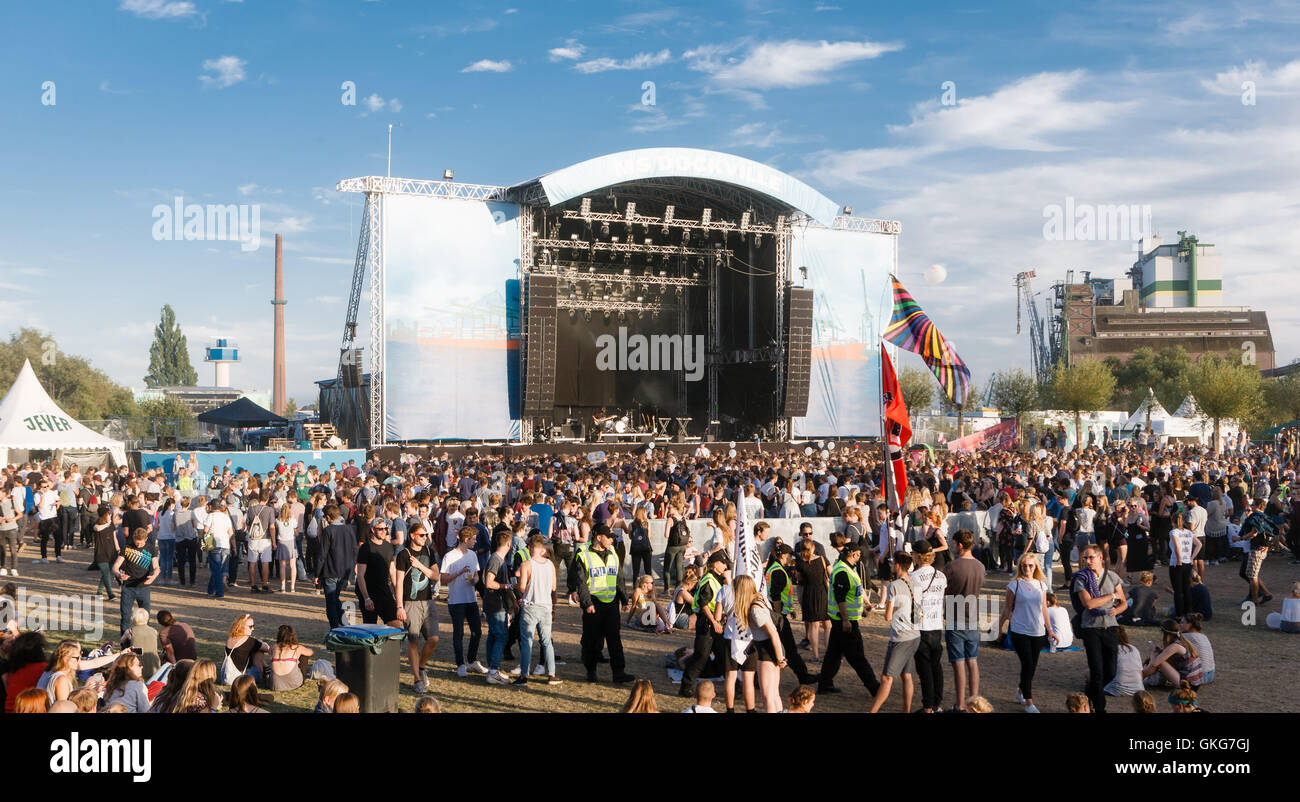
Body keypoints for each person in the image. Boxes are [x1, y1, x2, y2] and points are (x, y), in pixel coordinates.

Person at [818, 543, 881, 698]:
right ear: (853, 554)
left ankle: (824, 684)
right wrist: (846, 620)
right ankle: (874, 688)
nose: (860, 557)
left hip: (843, 620)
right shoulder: (843, 571)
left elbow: (851, 596)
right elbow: (841, 599)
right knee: (857, 657)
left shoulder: (845, 568)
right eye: (859, 554)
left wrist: (861, 610)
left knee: (833, 654)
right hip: (845, 622)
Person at [575, 524, 634, 684]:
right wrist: (587, 603)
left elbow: (619, 577)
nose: (611, 540)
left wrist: (624, 599)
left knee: (615, 640)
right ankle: (591, 671)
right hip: (593, 603)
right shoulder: (584, 555)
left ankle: (619, 673)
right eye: (608, 537)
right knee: (592, 640)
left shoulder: (613, 553)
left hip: (611, 603)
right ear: (598, 537)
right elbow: (581, 583)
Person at [1073, 544, 1128, 713]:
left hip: (1110, 627)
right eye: (1085, 558)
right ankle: (1100, 708)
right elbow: (1089, 604)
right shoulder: (1081, 578)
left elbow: (1124, 603)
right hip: (1091, 628)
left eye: (1091, 558)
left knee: (1111, 671)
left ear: (1100, 558)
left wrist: (1117, 609)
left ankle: (1089, 695)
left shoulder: (1112, 577)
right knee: (1096, 669)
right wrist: (1111, 596)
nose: (1087, 561)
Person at [999, 552, 1055, 713]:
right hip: (1019, 630)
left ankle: (1021, 690)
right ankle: (1029, 703)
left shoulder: (1041, 585)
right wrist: (1001, 627)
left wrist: (1050, 630)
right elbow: (1007, 609)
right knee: (1027, 664)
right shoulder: (1014, 585)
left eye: (1030, 565)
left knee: (1032, 666)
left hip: (1037, 630)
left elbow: (1044, 608)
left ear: (1035, 566)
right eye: (1024, 565)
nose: (1027, 568)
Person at [726, 574, 787, 713]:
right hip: (769, 649)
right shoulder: (759, 600)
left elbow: (773, 633)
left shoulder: (755, 611)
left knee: (767, 696)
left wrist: (780, 658)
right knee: (773, 693)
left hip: (768, 652)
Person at [395, 523, 441, 693]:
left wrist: (420, 566)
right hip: (410, 603)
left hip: (428, 602)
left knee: (433, 639)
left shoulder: (429, 552)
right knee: (413, 641)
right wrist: (399, 606)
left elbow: (436, 576)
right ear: (413, 535)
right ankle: (417, 679)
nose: (425, 537)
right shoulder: (403, 555)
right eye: (422, 535)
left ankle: (421, 668)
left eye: (426, 535)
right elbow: (399, 583)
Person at [943, 529, 985, 712]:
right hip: (973, 616)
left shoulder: (952, 566)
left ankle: (960, 703)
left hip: (955, 615)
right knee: (972, 661)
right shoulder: (980, 566)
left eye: (954, 543)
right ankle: (974, 702)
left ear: (960, 544)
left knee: (958, 662)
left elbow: (944, 589)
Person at [764, 543, 818, 686]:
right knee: (790, 649)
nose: (790, 558)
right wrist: (778, 615)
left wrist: (790, 609)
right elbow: (776, 596)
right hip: (777, 616)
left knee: (771, 648)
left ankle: (759, 678)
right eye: (789, 555)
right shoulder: (779, 571)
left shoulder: (773, 569)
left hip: (775, 614)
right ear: (783, 555)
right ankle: (803, 676)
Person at [678, 552, 730, 697]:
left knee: (723, 657)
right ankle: (686, 687)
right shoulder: (709, 580)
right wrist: (714, 621)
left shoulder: (718, 579)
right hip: (707, 624)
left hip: (716, 624)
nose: (725, 565)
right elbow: (703, 604)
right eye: (723, 563)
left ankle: (735, 686)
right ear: (715, 564)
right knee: (700, 657)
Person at [517, 534, 561, 686]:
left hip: (530, 606)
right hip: (546, 606)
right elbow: (554, 587)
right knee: (546, 641)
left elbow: (522, 587)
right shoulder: (550, 565)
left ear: (531, 548)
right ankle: (552, 674)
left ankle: (524, 675)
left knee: (527, 642)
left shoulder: (526, 564)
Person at [442, 527, 486, 677]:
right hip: (456, 601)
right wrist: (458, 573)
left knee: (477, 631)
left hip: (471, 599)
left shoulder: (473, 555)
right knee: (458, 633)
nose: (475, 541)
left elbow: (476, 575)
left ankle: (472, 660)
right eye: (474, 539)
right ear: (466, 540)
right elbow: (443, 579)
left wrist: (475, 580)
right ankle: (460, 664)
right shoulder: (449, 556)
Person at [482, 529, 516, 686]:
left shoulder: (497, 558)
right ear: (508, 544)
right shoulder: (496, 560)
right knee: (501, 635)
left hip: (493, 603)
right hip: (495, 604)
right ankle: (493, 671)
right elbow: (489, 582)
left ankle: (492, 668)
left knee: (494, 635)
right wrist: (506, 585)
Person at [316, 505, 357, 630]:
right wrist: (355, 565)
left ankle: (335, 628)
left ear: (328, 517)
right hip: (345, 570)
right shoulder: (349, 529)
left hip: (331, 570)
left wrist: (317, 574)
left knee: (331, 602)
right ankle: (345, 623)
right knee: (335, 598)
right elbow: (355, 549)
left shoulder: (328, 530)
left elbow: (322, 554)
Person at [112, 527, 159, 637]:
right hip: (128, 588)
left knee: (145, 617)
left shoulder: (151, 549)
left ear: (146, 539)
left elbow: (156, 567)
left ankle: (144, 640)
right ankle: (125, 643)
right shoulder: (127, 548)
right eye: (136, 543)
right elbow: (115, 567)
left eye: (140, 543)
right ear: (133, 538)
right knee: (126, 616)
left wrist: (153, 576)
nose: (138, 545)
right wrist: (119, 575)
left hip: (144, 587)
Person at [355, 517, 400, 626]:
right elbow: (360, 575)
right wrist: (366, 598)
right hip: (369, 593)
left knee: (394, 624)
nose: (384, 531)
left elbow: (392, 571)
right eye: (380, 529)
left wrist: (397, 593)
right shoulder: (365, 548)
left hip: (385, 591)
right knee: (371, 627)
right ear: (373, 530)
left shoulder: (389, 546)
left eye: (386, 529)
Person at [795, 539, 830, 662]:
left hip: (809, 594)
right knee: (827, 625)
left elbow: (799, 579)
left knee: (814, 626)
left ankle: (815, 656)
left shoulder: (800, 564)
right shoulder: (822, 559)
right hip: (823, 593)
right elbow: (830, 574)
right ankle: (829, 654)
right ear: (813, 547)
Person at [1141, 619, 1202, 688]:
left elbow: (1155, 663)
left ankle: (1140, 678)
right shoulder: (1181, 641)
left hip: (1188, 684)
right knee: (1160, 658)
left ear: (1164, 633)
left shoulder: (1175, 646)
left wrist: (1152, 651)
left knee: (1159, 662)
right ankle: (1141, 677)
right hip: (1195, 682)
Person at [1237, 498, 1276, 606]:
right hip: (1261, 548)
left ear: (1257, 505)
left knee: (1252, 576)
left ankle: (1255, 599)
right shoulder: (1265, 517)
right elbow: (1271, 532)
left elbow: (1254, 533)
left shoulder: (1256, 517)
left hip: (1257, 548)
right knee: (1252, 574)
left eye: (1253, 504)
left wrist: (1240, 538)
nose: (1251, 506)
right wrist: (1268, 545)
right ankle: (1265, 594)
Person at [1168, 512, 1201, 617]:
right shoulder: (1188, 532)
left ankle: (1179, 614)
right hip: (1187, 562)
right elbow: (1199, 544)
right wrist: (1192, 558)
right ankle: (1188, 611)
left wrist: (1178, 560)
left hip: (1177, 563)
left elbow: (1177, 546)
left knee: (1177, 590)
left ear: (1173, 521)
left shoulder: (1174, 532)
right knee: (1186, 588)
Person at [221, 614, 268, 685]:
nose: (253, 629)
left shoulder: (230, 638)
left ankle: (266, 668)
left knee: (256, 647)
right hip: (239, 678)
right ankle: (263, 673)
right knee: (259, 650)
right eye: (250, 626)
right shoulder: (249, 641)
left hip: (227, 677)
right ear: (242, 627)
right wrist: (261, 642)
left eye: (253, 626)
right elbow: (267, 648)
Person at [244, 491, 276, 594]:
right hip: (265, 538)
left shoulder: (251, 509)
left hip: (253, 538)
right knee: (265, 563)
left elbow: (248, 525)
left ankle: (253, 585)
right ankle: (265, 584)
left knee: (252, 562)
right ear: (267, 499)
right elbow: (272, 527)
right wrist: (274, 542)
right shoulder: (269, 510)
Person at [1104, 626, 1145, 696]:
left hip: (1116, 690)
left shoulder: (1110, 649)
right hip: (1138, 689)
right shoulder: (1134, 648)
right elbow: (1140, 673)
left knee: (1089, 675)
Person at [270, 625, 312, 692]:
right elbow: (310, 652)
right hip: (294, 684)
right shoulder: (297, 648)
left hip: (275, 685)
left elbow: (270, 653)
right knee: (304, 656)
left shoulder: (273, 647)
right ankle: (302, 677)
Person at [122, 606, 161, 678]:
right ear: (147, 618)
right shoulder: (154, 631)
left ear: (133, 618)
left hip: (137, 665)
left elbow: (122, 641)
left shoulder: (130, 631)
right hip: (154, 665)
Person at [205, 500, 234, 598]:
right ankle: (210, 589)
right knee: (220, 569)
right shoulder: (226, 517)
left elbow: (205, 530)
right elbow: (230, 532)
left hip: (214, 544)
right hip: (225, 544)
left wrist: (206, 542)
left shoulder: (211, 516)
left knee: (216, 569)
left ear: (212, 507)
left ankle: (219, 591)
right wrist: (226, 540)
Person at [274, 502, 299, 593]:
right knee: (293, 565)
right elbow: (296, 533)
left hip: (281, 542)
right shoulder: (293, 520)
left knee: (282, 566)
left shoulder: (277, 520)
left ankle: (283, 586)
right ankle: (292, 586)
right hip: (291, 542)